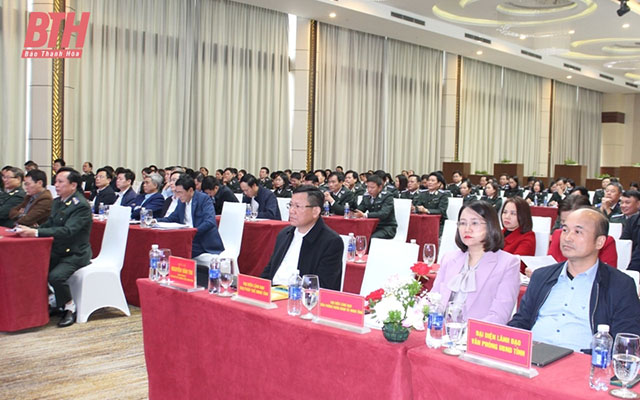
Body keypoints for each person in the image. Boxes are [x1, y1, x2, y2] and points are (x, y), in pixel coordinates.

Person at [509, 208, 640, 352]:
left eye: (578, 232)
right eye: (565, 230)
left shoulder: (620, 285)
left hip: (583, 360)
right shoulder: (541, 276)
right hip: (532, 355)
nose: (567, 238)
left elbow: (624, 343)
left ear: (599, 242)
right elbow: (520, 322)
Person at [16, 167, 92, 327]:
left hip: (75, 253)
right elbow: (50, 224)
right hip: (57, 250)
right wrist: (30, 230)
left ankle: (70, 307)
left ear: (73, 185)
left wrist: (36, 232)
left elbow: (68, 231)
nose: (56, 185)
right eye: (55, 181)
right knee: (33, 269)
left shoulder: (80, 206)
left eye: (60, 182)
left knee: (56, 276)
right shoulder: (58, 202)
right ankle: (54, 300)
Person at [432, 201, 520, 325]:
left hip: (478, 334)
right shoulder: (449, 258)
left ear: (490, 226)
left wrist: (464, 332)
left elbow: (499, 316)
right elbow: (433, 300)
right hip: (441, 329)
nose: (467, 229)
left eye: (474, 223)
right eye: (463, 223)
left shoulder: (508, 263)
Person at [261, 186, 343, 290]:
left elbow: (322, 286)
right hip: (273, 292)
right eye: (290, 205)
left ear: (315, 211)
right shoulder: (284, 234)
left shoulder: (331, 242)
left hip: (298, 296)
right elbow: (269, 271)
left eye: (297, 206)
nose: (291, 211)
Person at [158, 174, 225, 261]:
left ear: (190, 190)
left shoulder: (204, 199)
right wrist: (155, 221)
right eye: (176, 192)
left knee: (178, 249)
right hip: (187, 239)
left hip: (202, 241)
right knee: (168, 246)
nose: (178, 195)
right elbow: (171, 218)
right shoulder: (181, 202)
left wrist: (192, 233)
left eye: (180, 192)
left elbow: (210, 222)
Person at [546, 196, 617, 273]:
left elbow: (608, 275)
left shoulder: (604, 241)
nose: (567, 238)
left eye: (577, 231)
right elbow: (550, 266)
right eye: (564, 225)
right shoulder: (558, 235)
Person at [354, 175, 397, 239]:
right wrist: (354, 211)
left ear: (380, 187)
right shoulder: (366, 196)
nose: (369, 190)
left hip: (386, 227)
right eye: (368, 187)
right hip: (372, 226)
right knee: (357, 234)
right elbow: (360, 209)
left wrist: (365, 215)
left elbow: (383, 214)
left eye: (372, 187)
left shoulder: (387, 196)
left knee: (372, 238)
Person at [501, 197, 536, 274]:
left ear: (523, 216)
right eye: (505, 212)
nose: (507, 216)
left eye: (513, 213)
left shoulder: (528, 237)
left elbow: (514, 265)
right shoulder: (499, 232)